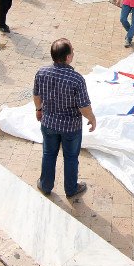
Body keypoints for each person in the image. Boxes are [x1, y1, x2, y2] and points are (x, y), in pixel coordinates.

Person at [33, 38, 96, 198]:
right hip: (70, 128)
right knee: (70, 158)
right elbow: (83, 106)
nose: (73, 53)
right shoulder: (76, 79)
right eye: (72, 51)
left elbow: (36, 95)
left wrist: (39, 110)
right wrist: (92, 118)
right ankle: (71, 189)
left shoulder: (41, 72)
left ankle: (45, 185)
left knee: (48, 154)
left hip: (48, 123)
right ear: (68, 57)